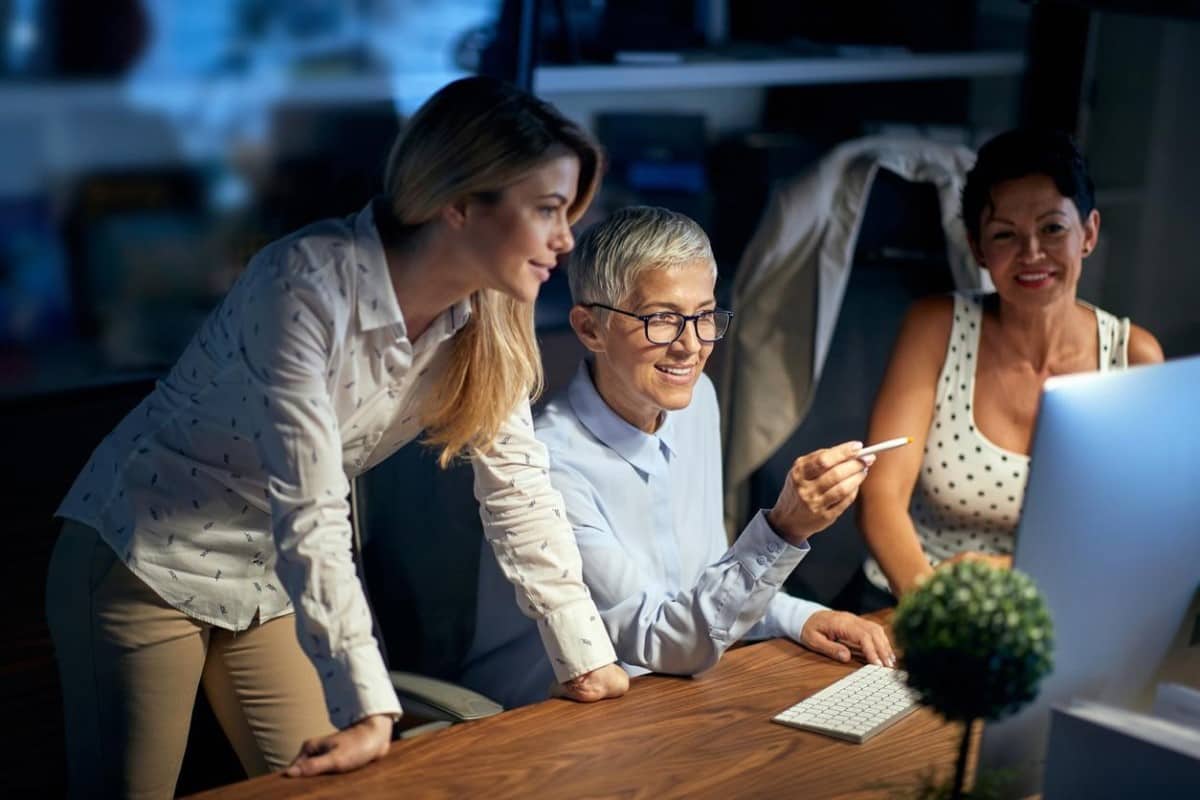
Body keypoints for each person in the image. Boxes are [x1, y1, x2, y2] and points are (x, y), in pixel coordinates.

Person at [46, 76, 628, 799]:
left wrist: (584, 659)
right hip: (144, 561)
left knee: (329, 787)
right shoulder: (303, 283)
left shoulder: (488, 322)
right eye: (547, 209)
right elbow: (312, 505)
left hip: (267, 575)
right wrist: (367, 707)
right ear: (458, 203)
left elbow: (518, 491)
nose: (567, 239)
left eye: (569, 212)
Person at [460, 206, 894, 709]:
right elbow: (662, 637)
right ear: (589, 328)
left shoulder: (695, 402)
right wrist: (784, 529)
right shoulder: (551, 462)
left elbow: (698, 591)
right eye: (662, 319)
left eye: (704, 316)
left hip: (666, 691)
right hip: (546, 715)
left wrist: (798, 616)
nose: (691, 346)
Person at [856, 129, 1164, 604]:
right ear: (978, 249)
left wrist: (1000, 573)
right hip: (909, 599)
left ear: (1089, 233)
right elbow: (881, 496)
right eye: (1005, 235)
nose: (1032, 254)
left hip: (1059, 610)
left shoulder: (1133, 358)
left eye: (1052, 228)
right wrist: (932, 609)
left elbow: (1134, 535)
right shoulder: (934, 327)